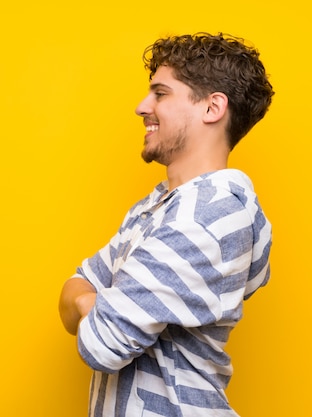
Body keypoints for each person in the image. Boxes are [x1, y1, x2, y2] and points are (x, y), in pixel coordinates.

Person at [59, 32, 274, 417]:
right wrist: (93, 300)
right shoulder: (158, 207)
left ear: (212, 108)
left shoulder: (207, 216)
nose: (142, 107)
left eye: (161, 93)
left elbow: (101, 344)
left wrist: (91, 301)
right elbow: (73, 288)